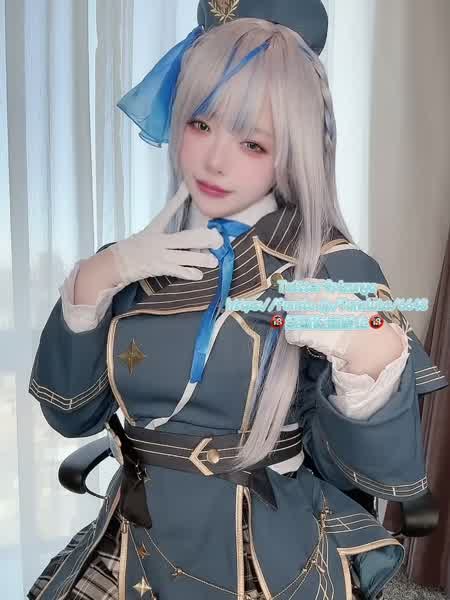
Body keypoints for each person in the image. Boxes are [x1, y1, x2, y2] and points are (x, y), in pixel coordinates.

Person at [26, 2, 448, 599]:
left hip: (268, 550)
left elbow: (378, 475)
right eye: (200, 124)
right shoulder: (131, 262)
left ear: (294, 150)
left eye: (252, 142)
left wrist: (371, 360)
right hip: (134, 542)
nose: (214, 161)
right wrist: (96, 280)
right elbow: (70, 414)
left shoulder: (334, 269)